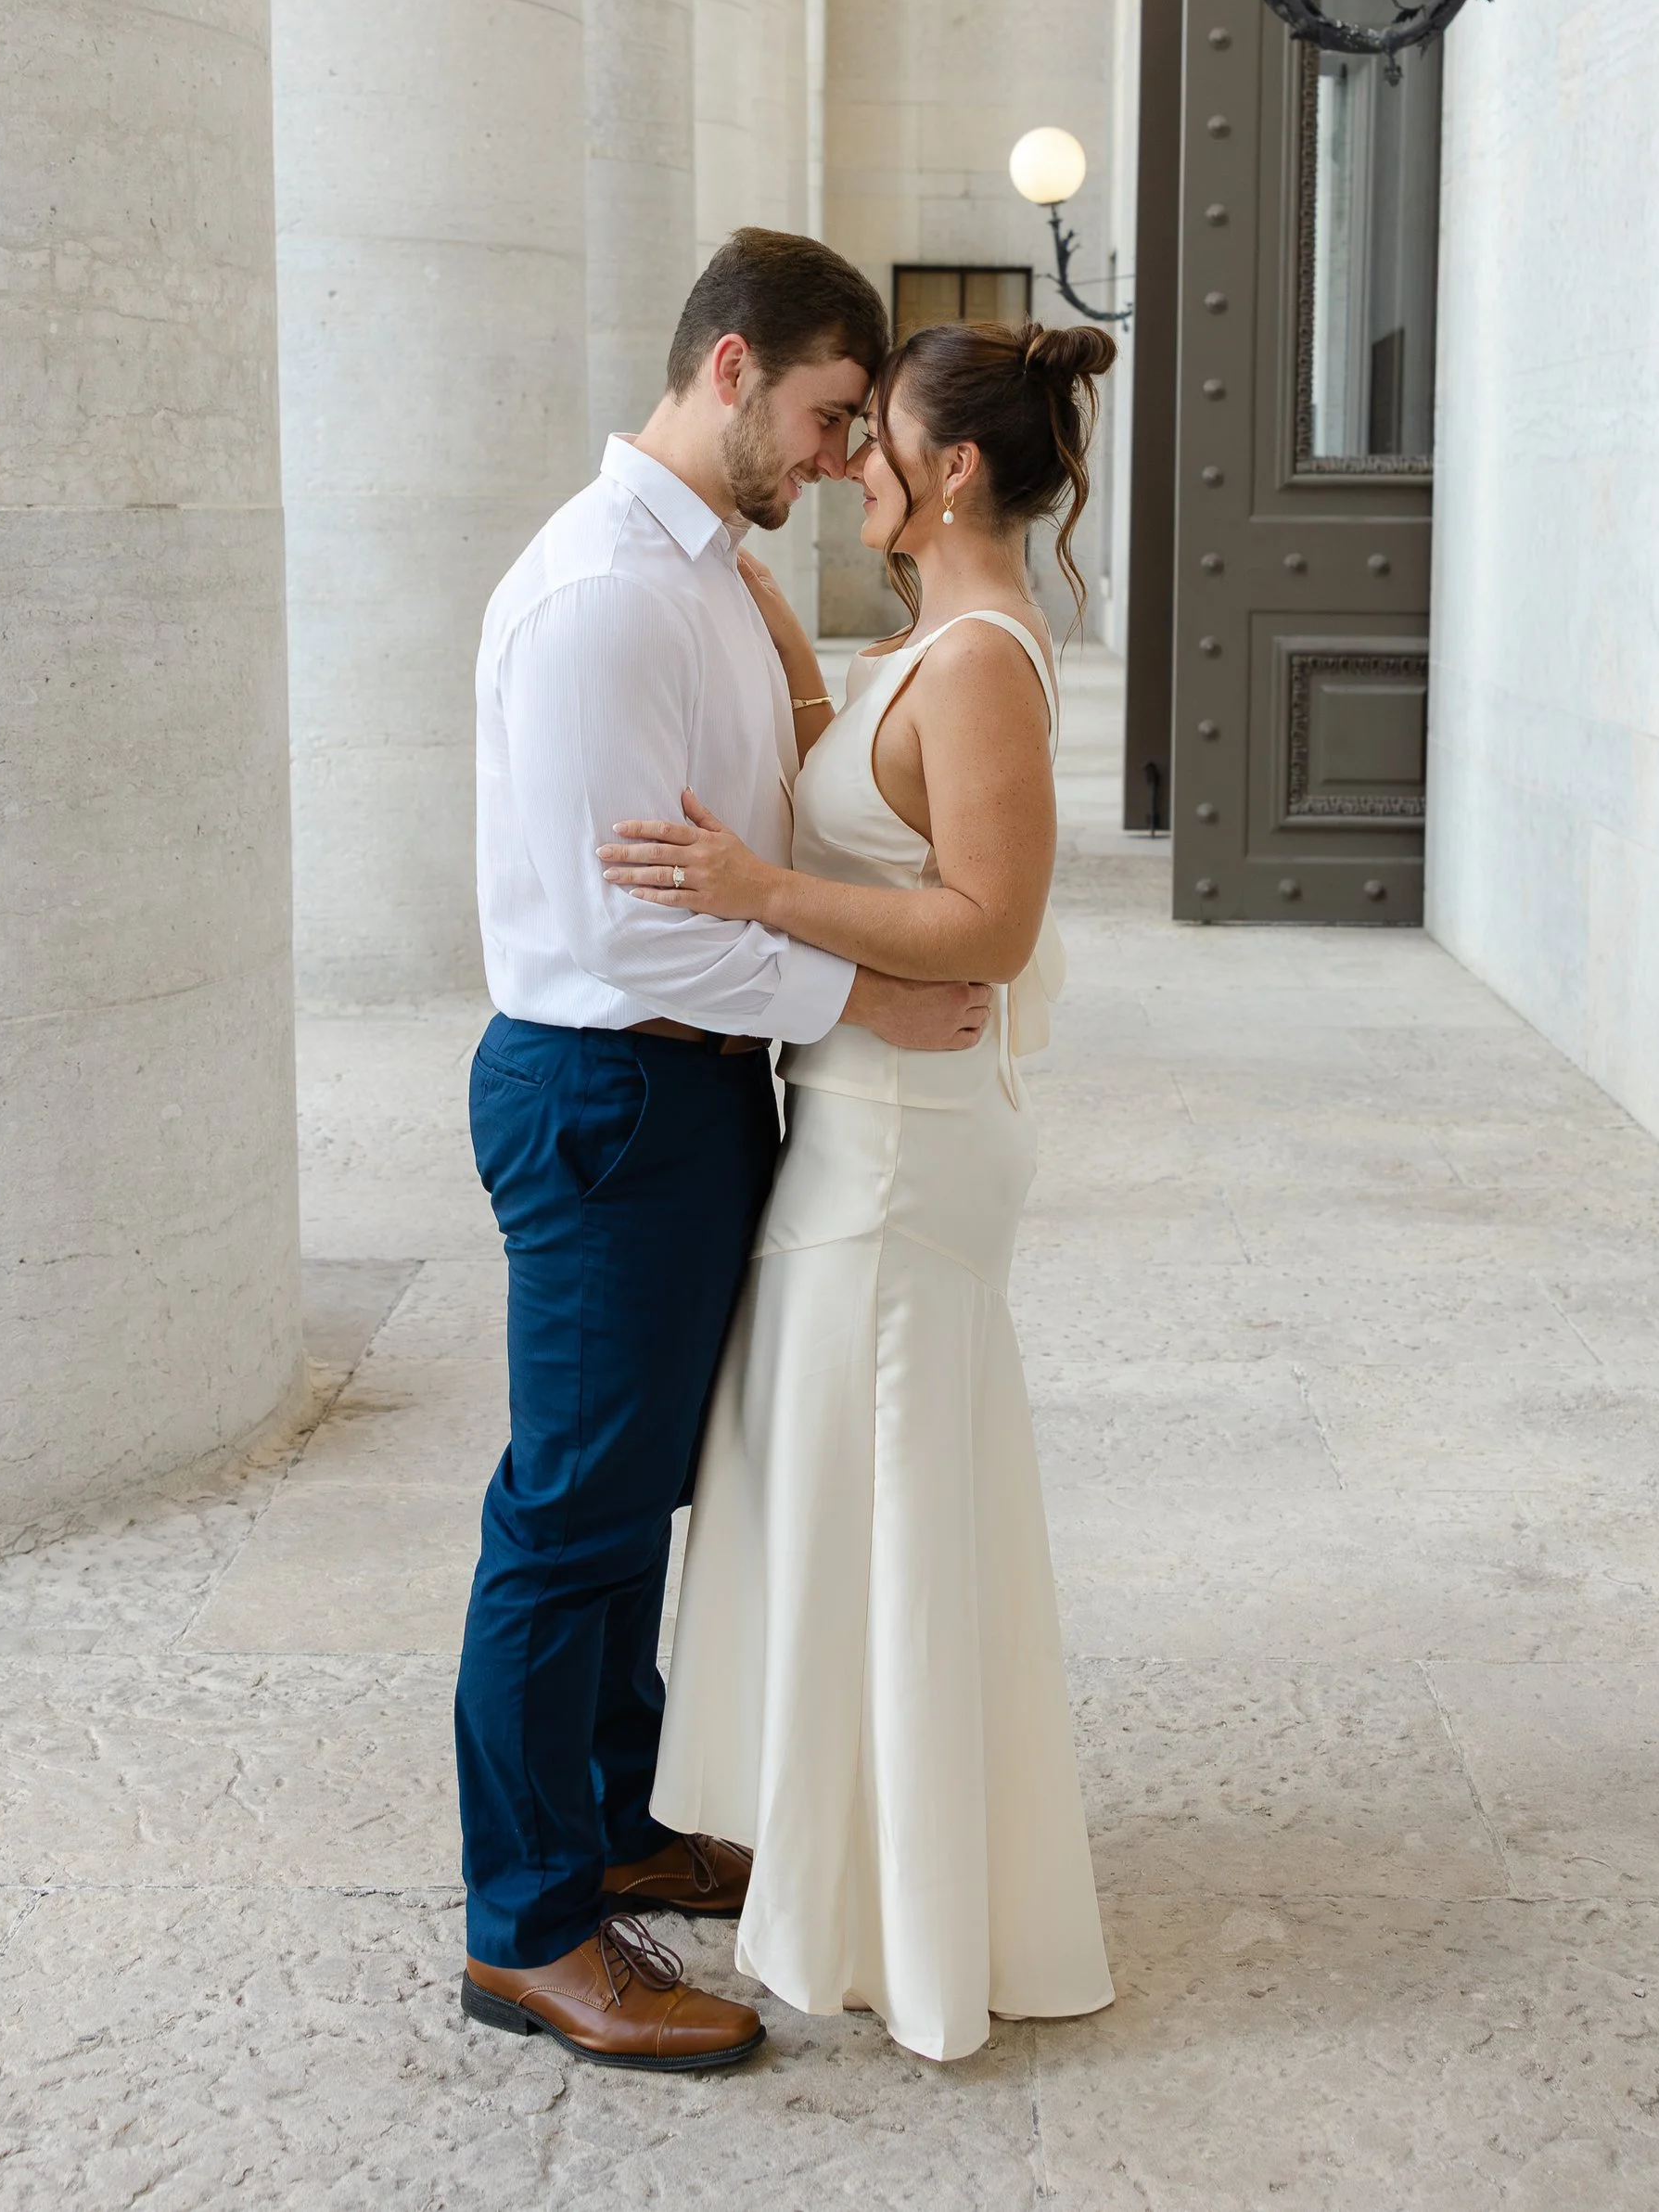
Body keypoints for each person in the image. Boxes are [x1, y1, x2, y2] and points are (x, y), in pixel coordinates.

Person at [456, 229, 997, 2076]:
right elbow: (624, 936)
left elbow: (752, 825)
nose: (843, 459)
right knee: (568, 1513)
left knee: (632, 1507)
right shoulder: (605, 593)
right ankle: (529, 1928)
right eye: (829, 415)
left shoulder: (703, 575)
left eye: (864, 429)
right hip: (608, 1083)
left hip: (688, 1091)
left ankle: (612, 1820)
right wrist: (853, 998)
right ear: (730, 369)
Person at [597, 317, 1119, 2064]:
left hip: (902, 1149)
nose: (851, 462)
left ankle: (901, 1911)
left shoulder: (980, 661)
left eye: (874, 435)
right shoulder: (932, 646)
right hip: (865, 1128)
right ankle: (886, 1875)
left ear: (952, 466)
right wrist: (785, 656)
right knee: (859, 1506)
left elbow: (987, 925)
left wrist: (754, 889)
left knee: (880, 1503)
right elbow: (878, 807)